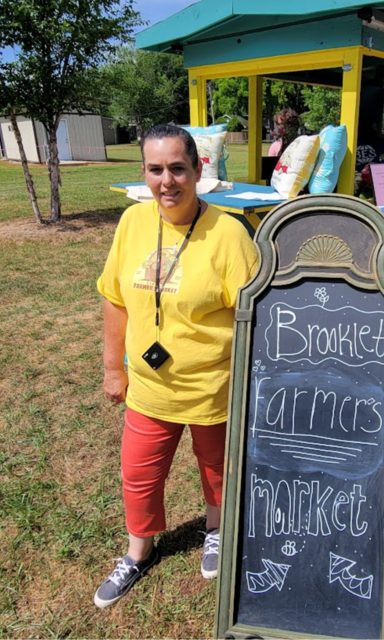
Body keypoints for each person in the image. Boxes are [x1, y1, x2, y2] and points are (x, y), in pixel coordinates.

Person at [93, 124, 259, 608]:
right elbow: (114, 298)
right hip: (149, 386)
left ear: (198, 170)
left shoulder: (229, 233)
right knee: (139, 474)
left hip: (214, 386)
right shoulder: (132, 223)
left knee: (218, 470)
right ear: (144, 172)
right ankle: (137, 552)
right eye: (155, 169)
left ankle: (216, 528)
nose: (167, 180)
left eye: (177, 168)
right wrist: (112, 368)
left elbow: (257, 316)